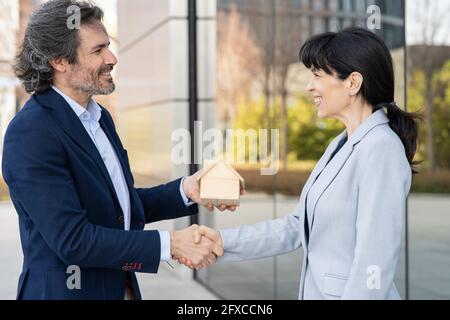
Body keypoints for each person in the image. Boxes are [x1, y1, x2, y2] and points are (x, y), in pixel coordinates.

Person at [2, 0, 236, 300]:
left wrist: (186, 190)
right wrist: (170, 245)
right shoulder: (32, 132)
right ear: (59, 61)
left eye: (108, 46)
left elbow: (117, 209)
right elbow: (73, 240)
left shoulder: (99, 119)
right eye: (98, 50)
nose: (112, 58)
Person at [180, 27, 421, 300]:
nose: (309, 86)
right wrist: (222, 241)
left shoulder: (381, 149)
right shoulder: (341, 145)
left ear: (353, 82)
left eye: (317, 75)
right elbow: (296, 226)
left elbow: (375, 260)